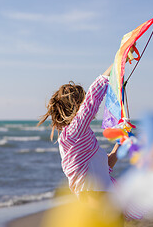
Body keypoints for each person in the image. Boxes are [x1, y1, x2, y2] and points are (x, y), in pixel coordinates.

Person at [37, 64, 120, 200]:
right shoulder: (73, 132)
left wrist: (120, 143)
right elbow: (93, 98)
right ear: (77, 106)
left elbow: (104, 168)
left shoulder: (80, 136)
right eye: (83, 100)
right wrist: (116, 63)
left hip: (100, 195)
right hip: (93, 197)